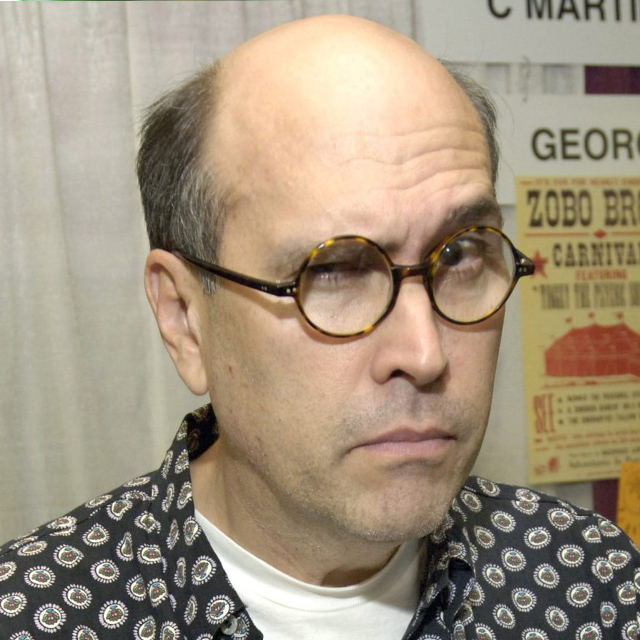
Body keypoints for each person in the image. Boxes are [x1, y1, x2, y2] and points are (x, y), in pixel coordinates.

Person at [0, 14, 637, 640]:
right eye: (332, 271)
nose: (425, 353)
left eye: (460, 254)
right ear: (185, 319)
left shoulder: (592, 583)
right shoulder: (34, 616)